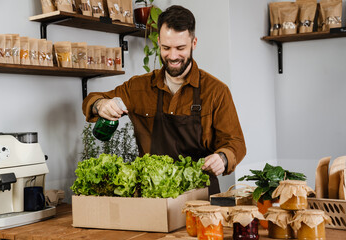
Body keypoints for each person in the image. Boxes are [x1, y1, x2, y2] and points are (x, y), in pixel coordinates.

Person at [82, 5, 246, 195]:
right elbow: (92, 100)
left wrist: (223, 158)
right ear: (158, 42)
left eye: (180, 48)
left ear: (194, 43)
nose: (173, 56)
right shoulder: (139, 87)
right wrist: (100, 105)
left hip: (200, 197)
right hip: (153, 197)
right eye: (166, 48)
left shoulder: (216, 91)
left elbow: (236, 143)